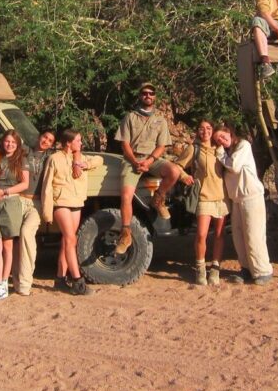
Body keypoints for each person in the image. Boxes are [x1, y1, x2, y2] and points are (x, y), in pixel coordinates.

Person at [114, 82, 182, 253]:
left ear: (155, 97)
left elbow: (161, 146)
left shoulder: (160, 120)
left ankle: (158, 199)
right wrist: (135, 162)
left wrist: (149, 162)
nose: (148, 96)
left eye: (151, 93)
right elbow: (125, 144)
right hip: (132, 159)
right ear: (140, 96)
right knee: (126, 196)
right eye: (144, 93)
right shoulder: (130, 117)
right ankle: (126, 232)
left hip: (152, 159)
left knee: (174, 171)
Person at [0, 128, 56, 296]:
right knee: (15, 239)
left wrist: (81, 162)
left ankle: (25, 284)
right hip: (18, 199)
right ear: (39, 137)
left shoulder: (51, 157)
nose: (46, 141)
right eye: (45, 137)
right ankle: (15, 282)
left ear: (52, 145)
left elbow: (76, 154)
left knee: (26, 233)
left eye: (50, 141)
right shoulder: (24, 150)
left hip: (36, 203)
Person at [41, 128, 104, 296]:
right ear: (68, 143)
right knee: (70, 239)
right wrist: (47, 213)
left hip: (76, 202)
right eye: (78, 140)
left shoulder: (80, 158)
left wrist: (84, 164)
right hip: (60, 202)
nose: (81, 143)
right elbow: (47, 186)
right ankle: (77, 280)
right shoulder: (54, 158)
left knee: (67, 241)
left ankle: (60, 278)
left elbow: (99, 159)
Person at [213, 123, 273, 285]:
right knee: (239, 236)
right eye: (218, 139)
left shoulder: (243, 146)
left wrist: (219, 153)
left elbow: (235, 166)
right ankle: (246, 268)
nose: (222, 141)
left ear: (230, 133)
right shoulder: (228, 152)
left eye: (223, 137)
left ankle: (262, 271)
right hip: (236, 199)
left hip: (251, 196)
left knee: (254, 234)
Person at [0, 130, 29, 304]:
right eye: (7, 141)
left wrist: (4, 191)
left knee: (8, 247)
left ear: (17, 145)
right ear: (2, 142)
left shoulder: (21, 160)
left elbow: (25, 184)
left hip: (10, 202)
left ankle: (3, 284)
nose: (9, 144)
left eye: (13, 142)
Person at [179, 120, 227, 287]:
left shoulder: (220, 148)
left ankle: (215, 268)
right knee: (201, 234)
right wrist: (184, 176)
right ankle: (200, 267)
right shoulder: (194, 148)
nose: (205, 131)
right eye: (201, 128)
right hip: (204, 196)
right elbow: (178, 165)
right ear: (197, 131)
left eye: (208, 128)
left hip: (221, 196)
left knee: (220, 235)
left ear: (213, 130)